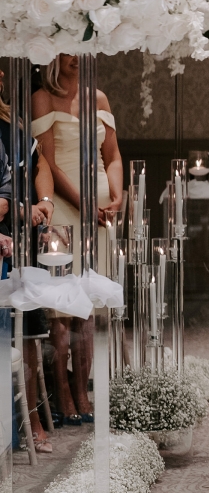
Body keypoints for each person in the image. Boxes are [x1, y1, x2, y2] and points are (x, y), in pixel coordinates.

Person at [32, 54, 124, 425]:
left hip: (101, 216)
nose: (76, 58)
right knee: (61, 310)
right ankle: (62, 391)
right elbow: (47, 162)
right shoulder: (43, 98)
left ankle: (84, 388)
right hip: (65, 212)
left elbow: (113, 155)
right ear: (53, 56)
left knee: (90, 306)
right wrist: (82, 204)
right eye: (67, 51)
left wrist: (117, 195)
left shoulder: (99, 98)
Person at [0, 67, 56, 451]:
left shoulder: (12, 128)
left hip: (23, 244)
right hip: (9, 236)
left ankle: (32, 418)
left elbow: (41, 166)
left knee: (31, 330)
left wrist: (45, 203)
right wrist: (22, 211)